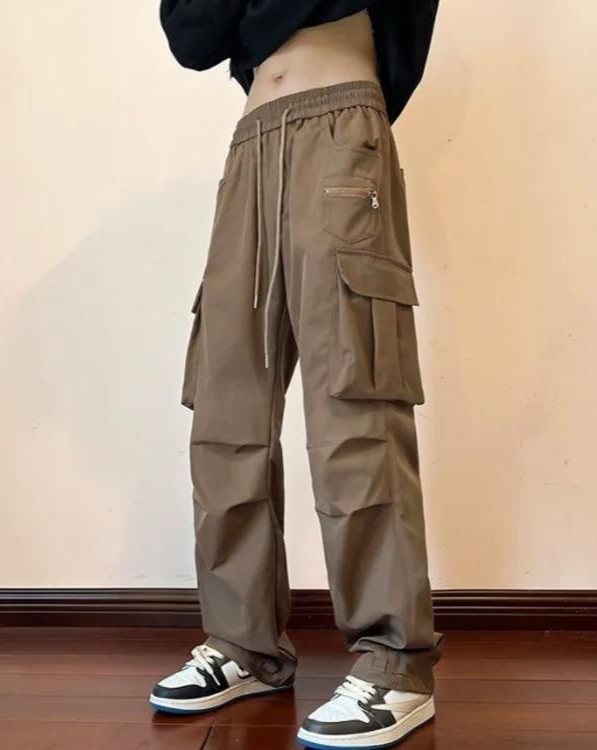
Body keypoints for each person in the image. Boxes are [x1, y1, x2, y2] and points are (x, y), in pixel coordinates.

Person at [151, 2, 443, 748]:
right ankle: (243, 644)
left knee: (355, 396)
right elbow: (190, 36)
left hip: (341, 126)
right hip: (251, 143)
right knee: (226, 405)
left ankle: (394, 664)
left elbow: (405, 35)